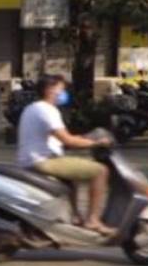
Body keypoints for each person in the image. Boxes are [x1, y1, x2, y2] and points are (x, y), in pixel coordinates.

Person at [16, 74, 112, 233]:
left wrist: (84, 137)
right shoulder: (47, 110)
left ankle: (75, 217)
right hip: (41, 161)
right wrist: (96, 143)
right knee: (101, 171)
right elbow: (68, 141)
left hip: (33, 159)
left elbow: (60, 137)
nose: (63, 93)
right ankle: (92, 220)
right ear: (49, 90)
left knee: (72, 176)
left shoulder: (33, 107)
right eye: (61, 89)